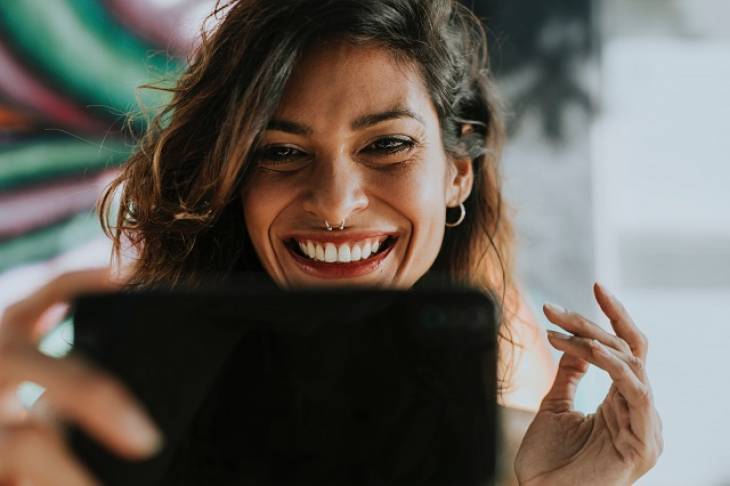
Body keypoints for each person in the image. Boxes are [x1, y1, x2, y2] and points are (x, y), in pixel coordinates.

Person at [0, 0, 662, 484]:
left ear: (457, 174)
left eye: (388, 146)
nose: (336, 204)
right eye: (282, 152)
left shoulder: (524, 466)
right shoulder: (99, 434)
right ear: (234, 181)